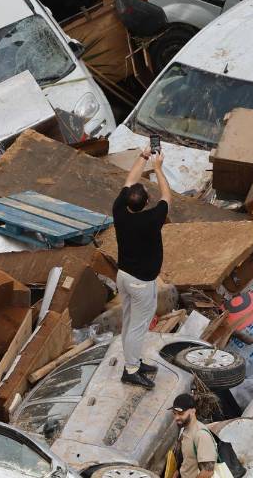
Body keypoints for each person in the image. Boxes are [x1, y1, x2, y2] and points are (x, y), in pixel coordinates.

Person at [112, 145, 172, 388]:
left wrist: (143, 157)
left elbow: (129, 180)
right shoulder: (151, 219)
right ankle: (131, 369)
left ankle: (132, 359)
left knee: (128, 321)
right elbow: (168, 196)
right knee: (138, 326)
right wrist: (157, 168)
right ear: (147, 202)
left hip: (124, 276)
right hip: (141, 283)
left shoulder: (119, 210)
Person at [170, 393, 217, 478]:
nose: (176, 418)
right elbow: (186, 460)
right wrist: (177, 473)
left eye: (180, 413)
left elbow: (208, 471)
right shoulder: (185, 429)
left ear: (193, 411)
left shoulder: (201, 434)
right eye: (174, 413)